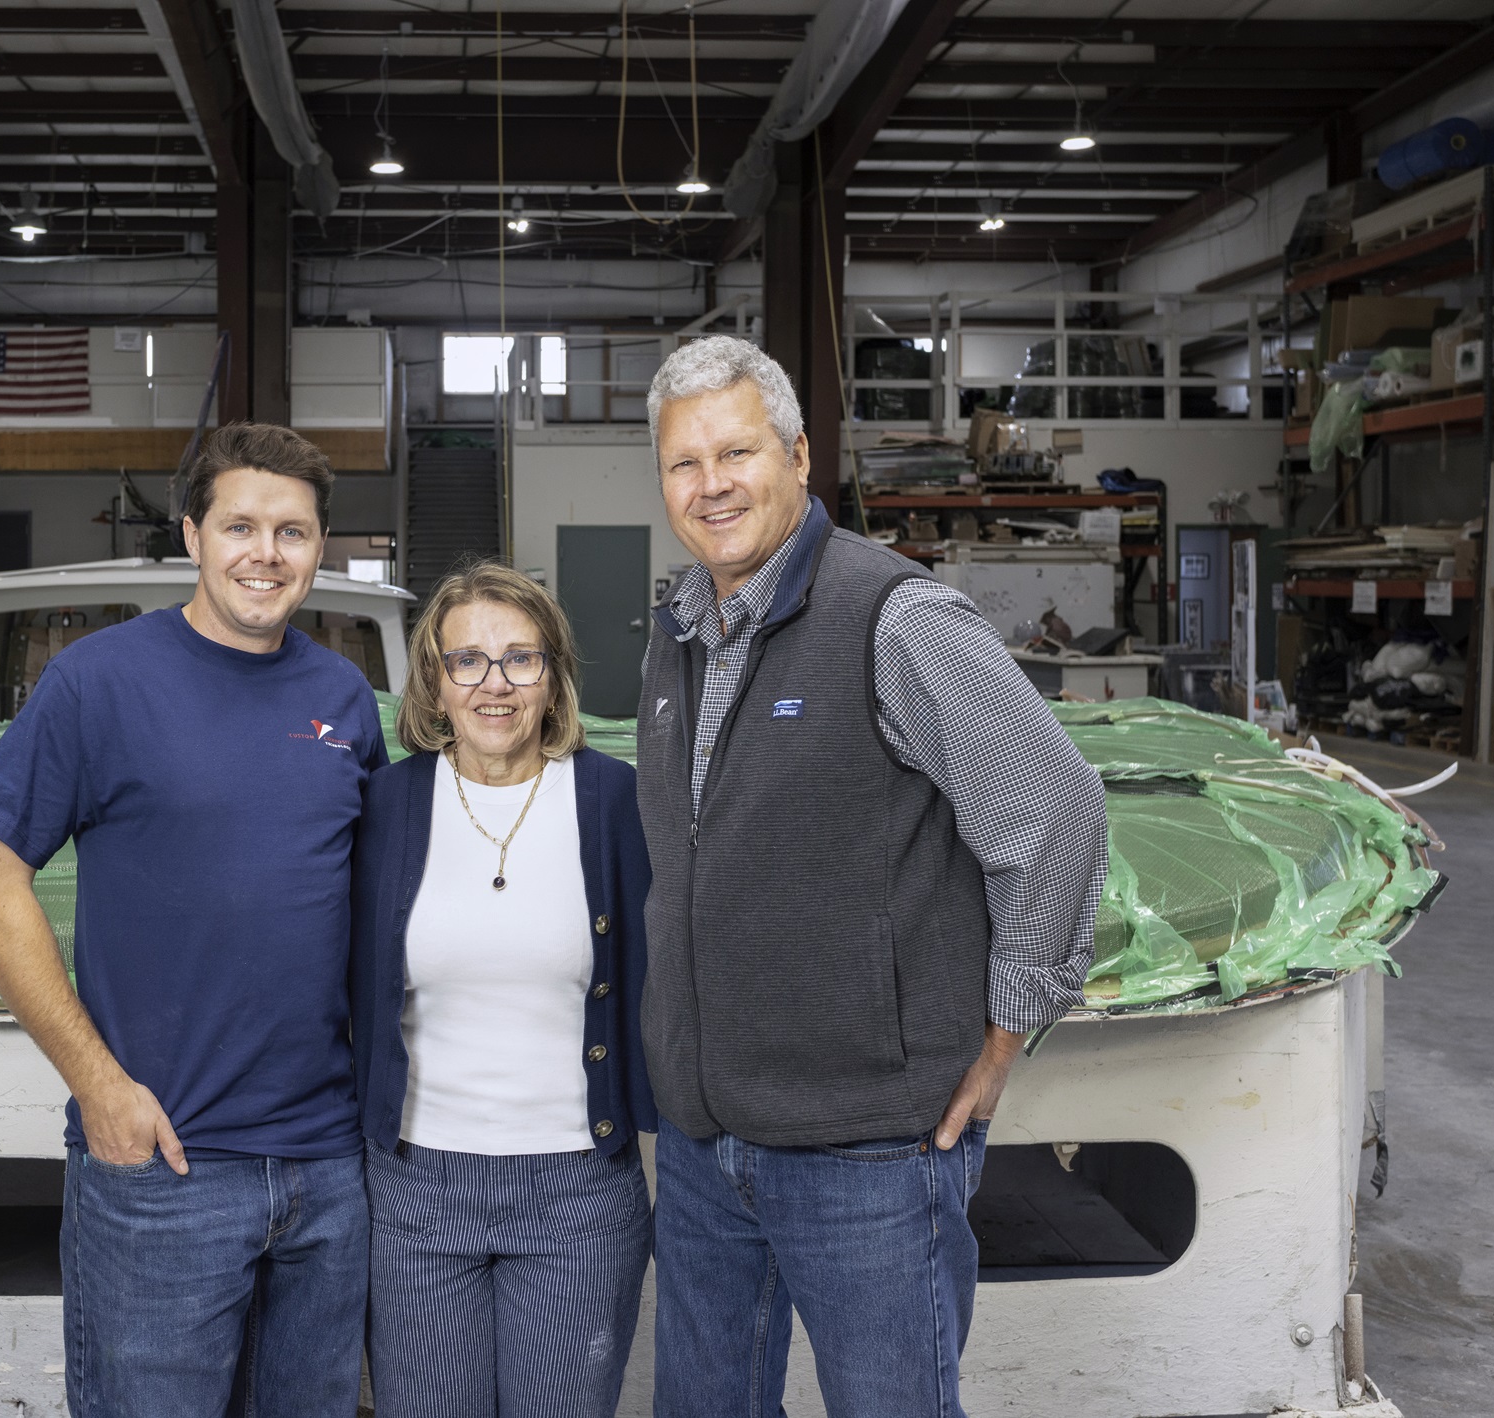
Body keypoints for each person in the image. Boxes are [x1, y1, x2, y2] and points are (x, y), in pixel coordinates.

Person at [635, 337, 1110, 1417]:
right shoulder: (675, 632)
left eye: (736, 451)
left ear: (799, 454)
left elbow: (1053, 805)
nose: (710, 484)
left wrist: (1005, 1029)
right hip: (709, 1149)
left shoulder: (895, 619)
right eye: (682, 462)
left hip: (868, 1155)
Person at [0, 423, 386, 1418]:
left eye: (292, 531)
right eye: (240, 525)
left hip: (326, 1167)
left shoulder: (342, 698)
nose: (265, 553)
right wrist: (99, 1087)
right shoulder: (98, 682)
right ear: (192, 534)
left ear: (320, 548)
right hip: (164, 1168)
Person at [350, 561, 655, 1418]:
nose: (495, 684)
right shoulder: (381, 808)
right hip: (413, 1189)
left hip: (578, 1192)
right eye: (468, 661)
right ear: (434, 682)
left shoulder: (613, 802)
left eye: (521, 659)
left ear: (553, 677)